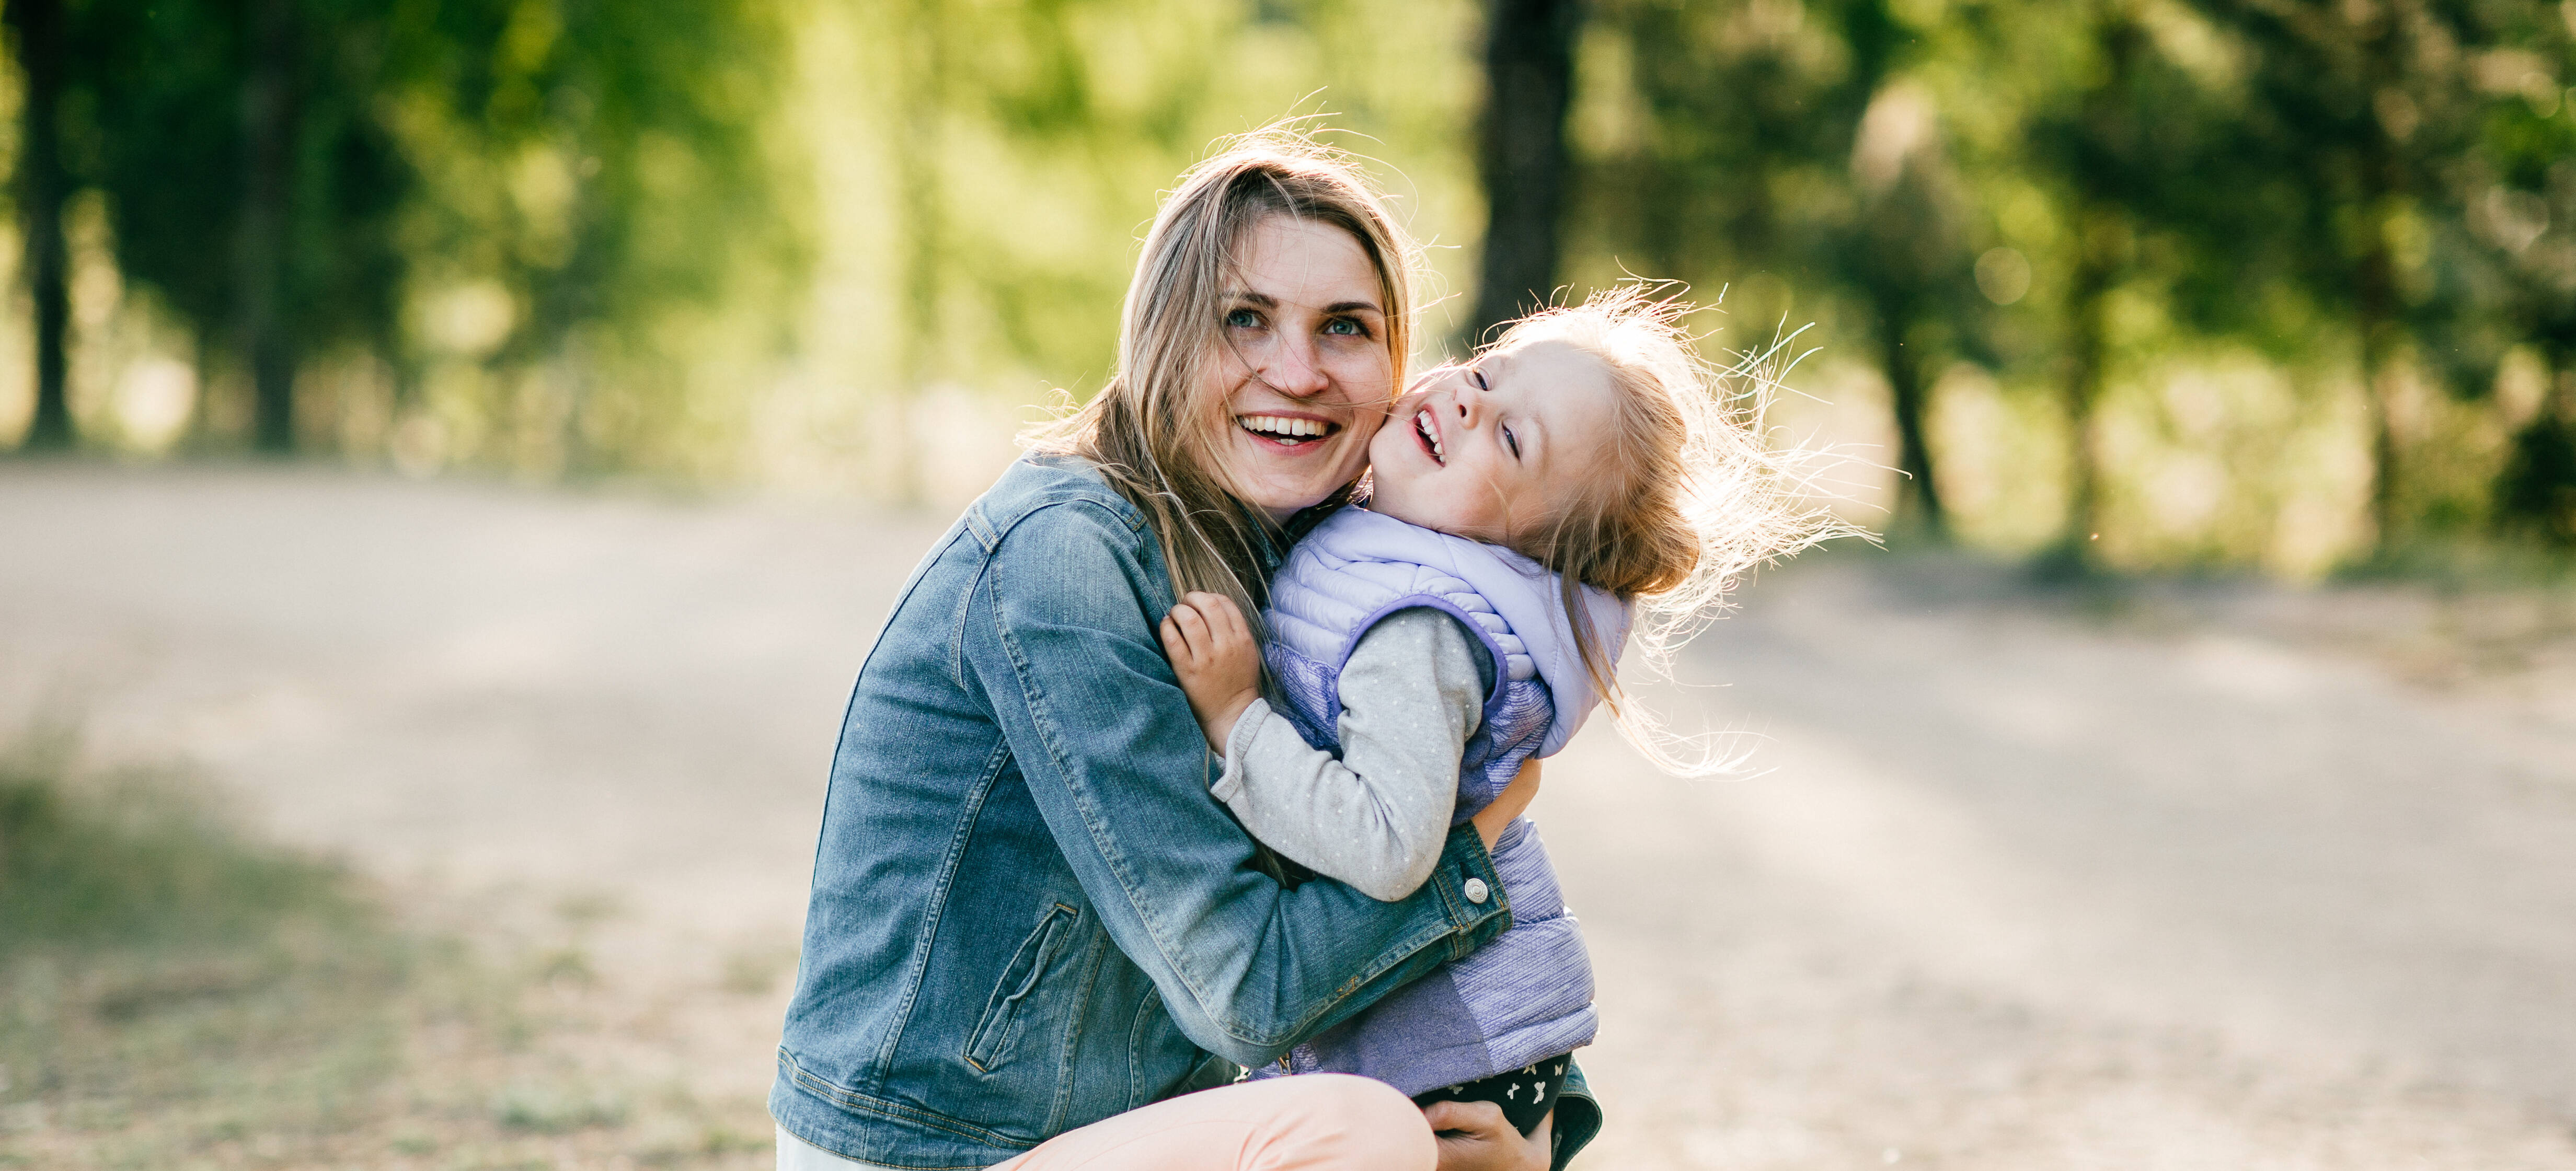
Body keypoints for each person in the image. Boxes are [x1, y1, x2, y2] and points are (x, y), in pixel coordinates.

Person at [770, 129, 1588, 1171]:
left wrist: (1526, 1127)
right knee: (1359, 1133)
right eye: (1242, 318)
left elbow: (1442, 915)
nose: (1295, 373)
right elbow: (1244, 993)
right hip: (933, 1153)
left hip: (1113, 1136)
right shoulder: (1064, 560)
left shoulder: (1325, 568)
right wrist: (1461, 846)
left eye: (1344, 327)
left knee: (1392, 1134)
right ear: (1161, 333)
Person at [1156, 288, 1843, 1140]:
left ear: (1530, 548)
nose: (1471, 402)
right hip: (1438, 1036)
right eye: (1486, 373)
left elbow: (1388, 841)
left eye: (1512, 439)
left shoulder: (1421, 630)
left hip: (1454, 1059)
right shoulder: (1384, 544)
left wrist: (1235, 718)